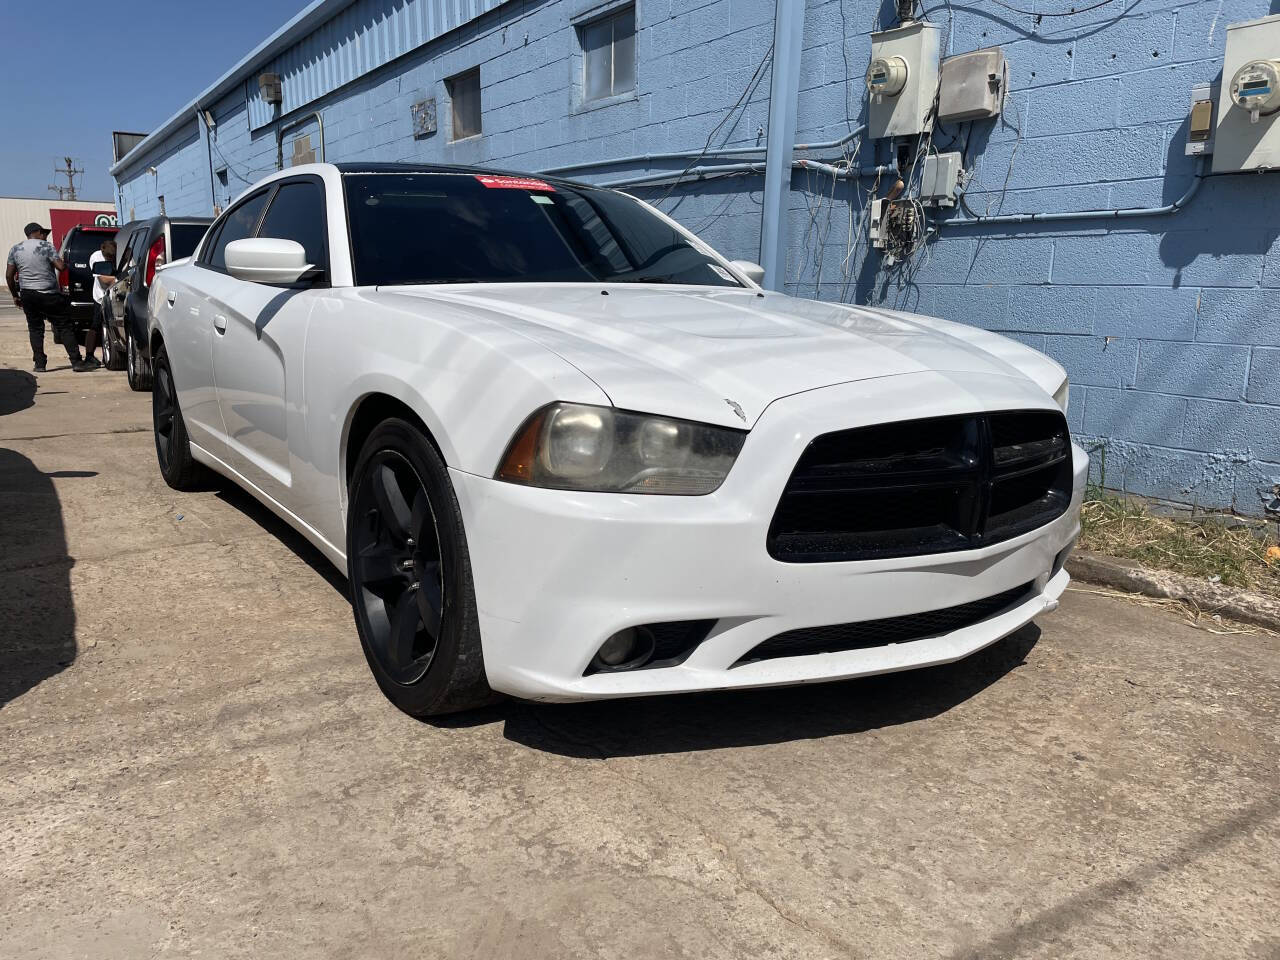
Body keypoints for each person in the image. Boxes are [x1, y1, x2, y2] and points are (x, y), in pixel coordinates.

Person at [6, 222, 89, 372]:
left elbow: (9, 275)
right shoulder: (46, 246)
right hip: (49, 293)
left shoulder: (15, 249)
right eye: (43, 233)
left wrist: (15, 295)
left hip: (28, 294)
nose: (45, 236)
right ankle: (76, 362)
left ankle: (40, 364)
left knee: (35, 329)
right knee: (64, 326)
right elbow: (61, 267)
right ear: (36, 232)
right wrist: (63, 261)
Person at [88, 238, 117, 364]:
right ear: (102, 250)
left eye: (112, 256)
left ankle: (110, 356)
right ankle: (89, 356)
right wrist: (118, 280)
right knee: (96, 325)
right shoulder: (96, 257)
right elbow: (103, 279)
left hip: (115, 296)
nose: (110, 259)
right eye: (108, 256)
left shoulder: (119, 255)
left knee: (113, 326)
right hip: (100, 297)